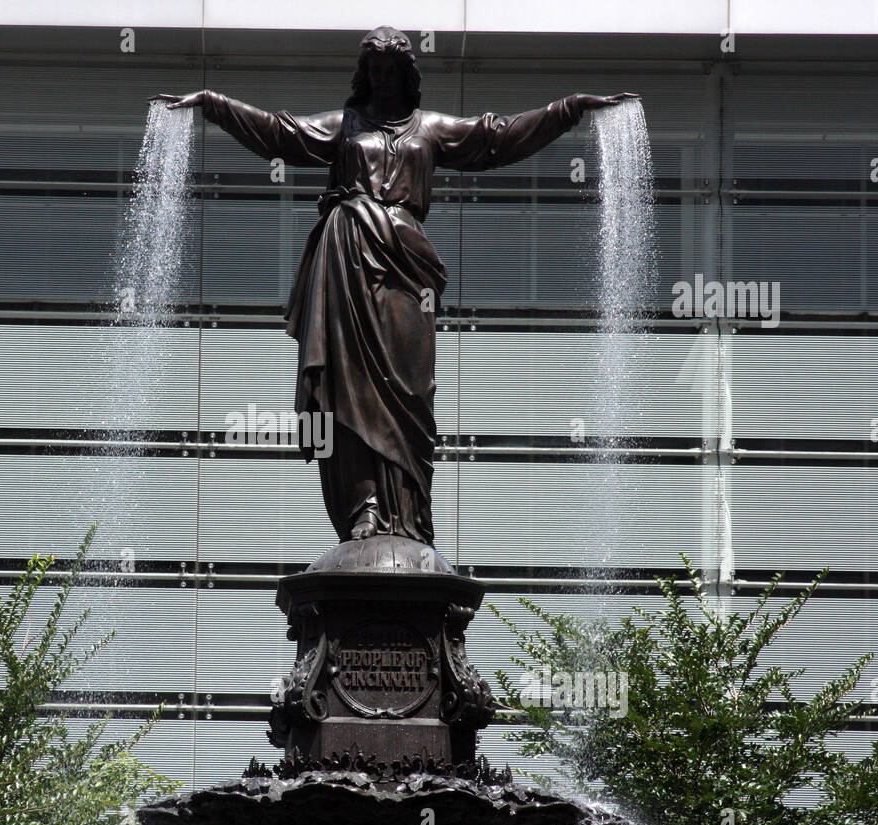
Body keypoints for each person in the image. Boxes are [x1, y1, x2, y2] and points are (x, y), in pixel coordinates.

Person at [156, 25, 636, 546]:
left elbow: (496, 137)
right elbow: (279, 133)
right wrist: (214, 104)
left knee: (412, 394)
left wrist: (569, 109)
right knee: (348, 387)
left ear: (408, 76)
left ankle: (410, 518)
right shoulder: (345, 126)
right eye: (375, 71)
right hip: (347, 261)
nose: (383, 80)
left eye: (392, 71)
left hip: (408, 269)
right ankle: (363, 508)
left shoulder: (429, 129)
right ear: (364, 76)